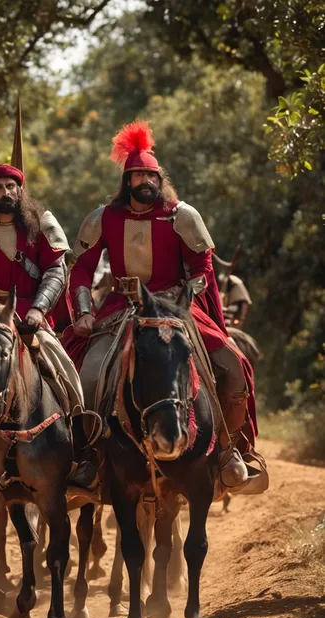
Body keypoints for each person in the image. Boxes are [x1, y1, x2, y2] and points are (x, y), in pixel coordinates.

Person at [65, 121, 266, 494]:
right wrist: (84, 313)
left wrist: (182, 297)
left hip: (176, 307)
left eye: (150, 174)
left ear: (160, 178)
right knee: (88, 373)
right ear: (127, 181)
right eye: (136, 174)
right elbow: (81, 271)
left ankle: (228, 450)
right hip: (120, 307)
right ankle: (89, 455)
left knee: (232, 365)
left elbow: (203, 267)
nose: (144, 181)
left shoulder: (182, 215)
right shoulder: (104, 217)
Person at [0, 161, 97, 488]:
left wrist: (39, 310)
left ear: (20, 190)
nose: (6, 192)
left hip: (30, 320)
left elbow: (56, 270)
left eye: (11, 186)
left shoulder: (41, 225)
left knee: (65, 372)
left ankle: (81, 451)